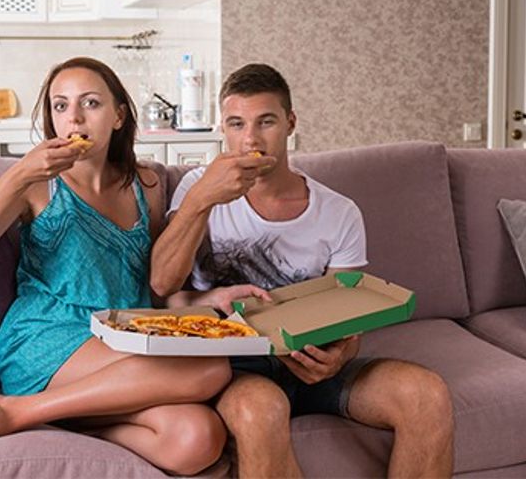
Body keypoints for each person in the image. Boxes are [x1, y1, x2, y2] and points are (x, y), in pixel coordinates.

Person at [0, 57, 229, 476]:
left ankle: (55, 416)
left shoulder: (148, 185)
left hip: (124, 336)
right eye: (60, 106)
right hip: (46, 338)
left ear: (119, 115)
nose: (73, 118)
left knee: (198, 438)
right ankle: (15, 412)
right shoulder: (35, 184)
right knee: (210, 366)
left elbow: (158, 288)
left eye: (90, 103)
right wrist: (17, 175)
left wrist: (210, 299)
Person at [151, 63, 455, 478]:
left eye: (266, 122)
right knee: (261, 412)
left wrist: (338, 357)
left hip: (315, 366)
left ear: (290, 123)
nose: (250, 139)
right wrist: (202, 200)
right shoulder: (196, 190)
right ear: (222, 129)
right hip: (235, 367)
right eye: (236, 124)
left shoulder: (339, 212)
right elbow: (162, 285)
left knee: (427, 395)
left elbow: (350, 315)